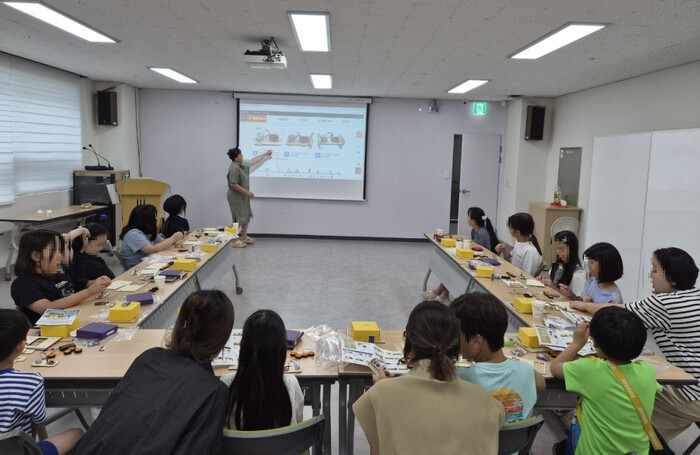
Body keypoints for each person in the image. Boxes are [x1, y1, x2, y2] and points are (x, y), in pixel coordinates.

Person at [73, 290, 234, 455]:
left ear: (180, 323)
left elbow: (112, 414)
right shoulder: (214, 391)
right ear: (222, 338)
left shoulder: (150, 357)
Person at [571, 247, 700, 442]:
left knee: (622, 384)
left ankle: (622, 441)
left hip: (692, 392)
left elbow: (620, 312)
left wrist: (584, 305)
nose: (650, 275)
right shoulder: (694, 296)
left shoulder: (665, 303)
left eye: (655, 270)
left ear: (672, 279)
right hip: (693, 386)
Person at [352, 301, 504, 455]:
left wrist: (384, 390)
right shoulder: (488, 404)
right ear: (456, 345)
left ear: (409, 344)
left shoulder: (380, 394)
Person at [550, 307, 661, 454]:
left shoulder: (588, 369)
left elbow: (555, 367)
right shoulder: (648, 370)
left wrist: (576, 343)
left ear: (595, 342)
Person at [450, 293, 545, 423]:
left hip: (479, 436)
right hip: (514, 437)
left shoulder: (462, 377)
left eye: (457, 336)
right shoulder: (526, 370)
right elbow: (542, 384)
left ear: (476, 340)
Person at [0, 309, 84, 455]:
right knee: (77, 433)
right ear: (21, 346)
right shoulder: (31, 382)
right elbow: (36, 424)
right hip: (17, 451)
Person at [221, 309, 304, 430]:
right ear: (281, 352)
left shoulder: (225, 385)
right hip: (283, 443)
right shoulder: (291, 385)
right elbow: (298, 422)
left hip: (237, 443)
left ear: (242, 347)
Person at [10, 229, 111, 324]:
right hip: (50, 329)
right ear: (36, 256)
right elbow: (48, 309)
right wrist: (89, 292)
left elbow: (84, 284)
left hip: (76, 319)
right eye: (55, 251)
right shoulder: (23, 284)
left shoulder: (61, 272)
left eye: (60, 251)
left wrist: (99, 282)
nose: (60, 255)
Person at [423, 207, 498, 303]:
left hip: (484, 264)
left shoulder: (482, 233)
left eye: (468, 216)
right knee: (454, 268)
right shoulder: (474, 231)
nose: (467, 218)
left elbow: (486, 253)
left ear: (473, 221)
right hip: (476, 260)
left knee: (457, 270)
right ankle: (443, 294)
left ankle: (440, 292)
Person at [226, 147, 272, 248]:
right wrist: (247, 192)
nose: (242, 155)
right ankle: (235, 240)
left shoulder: (242, 163)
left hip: (243, 195)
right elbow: (233, 184)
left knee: (246, 215)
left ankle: (243, 236)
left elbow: (253, 161)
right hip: (235, 196)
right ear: (235, 158)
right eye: (240, 155)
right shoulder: (234, 168)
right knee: (238, 218)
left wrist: (265, 154)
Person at [118, 204, 184, 269]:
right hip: (138, 268)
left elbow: (163, 243)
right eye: (154, 216)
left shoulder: (147, 230)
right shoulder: (133, 234)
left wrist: (175, 239)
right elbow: (150, 249)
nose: (156, 218)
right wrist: (173, 239)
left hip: (149, 263)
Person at [537, 230, 586, 299]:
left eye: (561, 249)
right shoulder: (557, 265)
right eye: (555, 249)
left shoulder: (578, 275)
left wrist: (553, 286)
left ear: (572, 250)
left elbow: (577, 300)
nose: (557, 252)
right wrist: (545, 281)